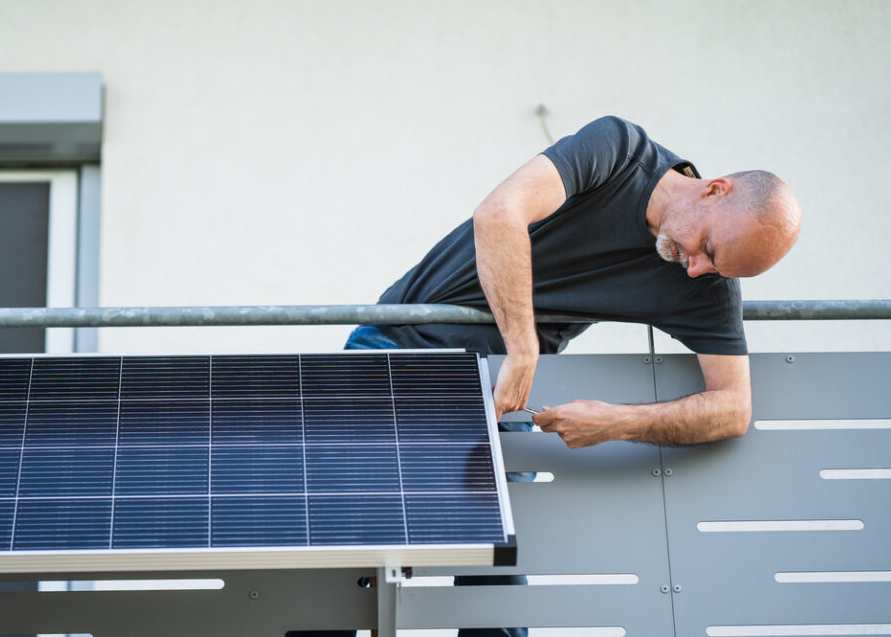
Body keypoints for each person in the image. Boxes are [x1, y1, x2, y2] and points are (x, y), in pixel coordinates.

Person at [338, 115, 802, 637]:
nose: (697, 270)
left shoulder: (704, 284)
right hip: (397, 352)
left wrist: (617, 422)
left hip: (501, 394)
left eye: (718, 271)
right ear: (714, 191)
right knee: (345, 553)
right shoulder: (620, 150)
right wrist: (524, 347)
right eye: (710, 250)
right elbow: (499, 212)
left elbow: (733, 407)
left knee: (500, 573)